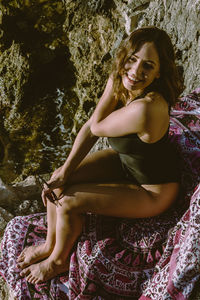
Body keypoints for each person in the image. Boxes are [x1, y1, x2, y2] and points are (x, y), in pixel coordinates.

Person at [17, 26, 183, 284]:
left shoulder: (147, 108)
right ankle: (50, 244)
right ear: (124, 56)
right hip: (125, 164)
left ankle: (57, 261)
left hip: (154, 192)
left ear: (159, 72)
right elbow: (89, 127)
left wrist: (115, 85)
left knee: (69, 202)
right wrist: (66, 170)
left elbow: (97, 126)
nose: (136, 72)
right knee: (56, 183)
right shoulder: (123, 82)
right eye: (132, 59)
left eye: (148, 66)